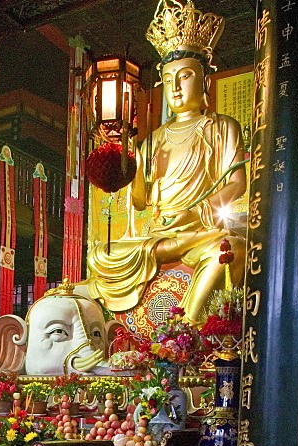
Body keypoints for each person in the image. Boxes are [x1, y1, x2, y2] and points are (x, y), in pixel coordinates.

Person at [82, 0, 246, 327]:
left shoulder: (221, 127)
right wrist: (132, 166)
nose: (175, 87)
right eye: (169, 79)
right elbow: (141, 201)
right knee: (99, 254)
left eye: (185, 77)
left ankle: (185, 327)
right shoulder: (154, 139)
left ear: (206, 82)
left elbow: (237, 181)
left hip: (201, 228)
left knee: (224, 249)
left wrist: (201, 210)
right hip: (159, 234)